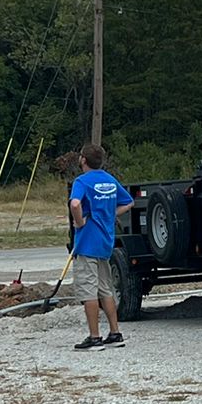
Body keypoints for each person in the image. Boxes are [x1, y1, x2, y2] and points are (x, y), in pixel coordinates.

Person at [67, 143, 134, 350]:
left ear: (83, 160)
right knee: (106, 288)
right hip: (105, 242)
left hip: (87, 243)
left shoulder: (82, 181)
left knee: (89, 291)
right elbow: (129, 202)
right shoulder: (109, 180)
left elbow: (75, 204)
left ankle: (94, 337)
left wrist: (78, 222)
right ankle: (115, 333)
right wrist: (111, 214)